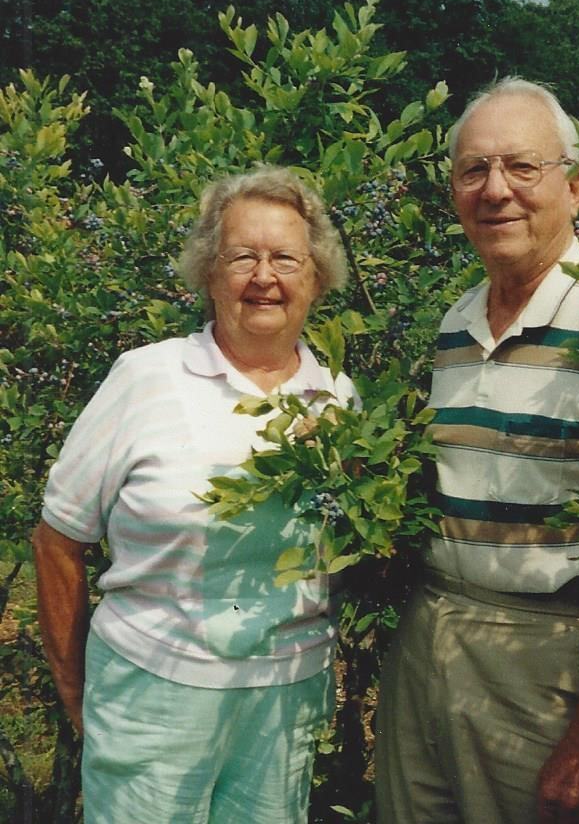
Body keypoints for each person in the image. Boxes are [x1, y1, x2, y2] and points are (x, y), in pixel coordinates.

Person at [374, 78, 579, 824]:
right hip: (430, 639)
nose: (496, 191)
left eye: (523, 168)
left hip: (549, 666)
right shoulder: (455, 323)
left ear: (577, 185)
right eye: (473, 171)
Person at [33, 166, 358, 824]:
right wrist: (76, 690)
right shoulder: (146, 378)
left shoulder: (340, 404)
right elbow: (58, 540)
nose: (263, 277)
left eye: (285, 259)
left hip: (281, 706)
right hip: (150, 699)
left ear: (317, 279)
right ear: (209, 274)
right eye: (242, 256)